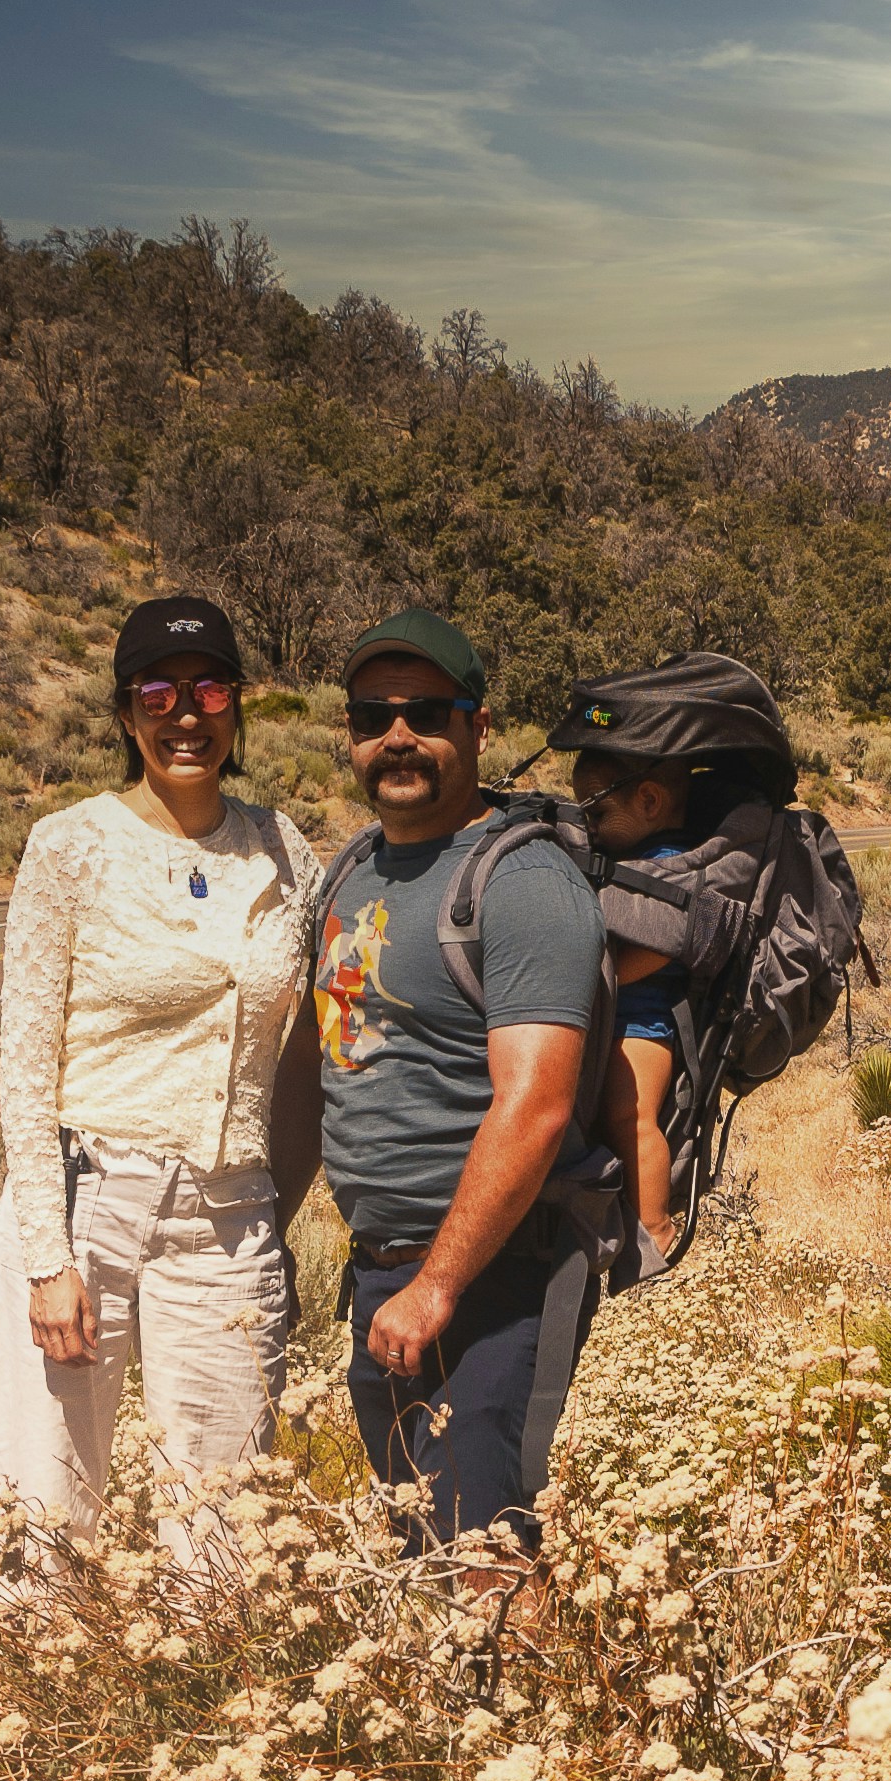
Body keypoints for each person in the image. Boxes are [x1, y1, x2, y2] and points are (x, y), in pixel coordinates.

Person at [0, 595, 323, 1566]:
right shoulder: (68, 845)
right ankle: (37, 1710)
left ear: (238, 705)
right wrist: (49, 1259)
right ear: (126, 711)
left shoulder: (283, 850)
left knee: (223, 1534)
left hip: (228, 1220)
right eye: (158, 691)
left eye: (209, 687)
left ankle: (203, 1716)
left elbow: (326, 1023)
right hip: (86, 1207)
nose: (186, 713)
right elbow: (23, 1061)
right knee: (43, 1519)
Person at [311, 608, 606, 1551]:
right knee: (420, 1554)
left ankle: (538, 1702)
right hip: (383, 1281)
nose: (397, 736)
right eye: (372, 716)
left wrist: (438, 1285)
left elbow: (538, 1103)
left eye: (427, 711)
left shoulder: (522, 886)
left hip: (490, 1280)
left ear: (478, 728)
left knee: (487, 1558)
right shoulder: (353, 871)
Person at [570, 748, 700, 1262]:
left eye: (597, 812)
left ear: (648, 801)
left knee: (632, 1115)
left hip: (644, 1023)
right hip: (612, 1017)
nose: (589, 826)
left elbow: (665, 943)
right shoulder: (627, 860)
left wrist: (603, 976)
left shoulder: (671, 864)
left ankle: (656, 1227)